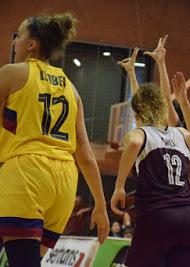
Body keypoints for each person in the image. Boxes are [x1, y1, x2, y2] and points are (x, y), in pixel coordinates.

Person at [0, 13, 109, 267]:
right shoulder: (71, 88)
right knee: (25, 261)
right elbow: (85, 151)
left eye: (19, 36)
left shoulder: (12, 73)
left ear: (31, 44)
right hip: (65, 183)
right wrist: (100, 206)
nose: (15, 42)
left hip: (28, 173)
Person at [111, 71, 190, 266]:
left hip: (158, 216)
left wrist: (119, 186)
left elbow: (134, 143)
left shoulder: (139, 133)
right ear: (163, 109)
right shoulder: (181, 133)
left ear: (136, 114)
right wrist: (184, 101)